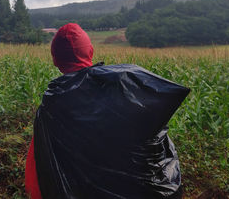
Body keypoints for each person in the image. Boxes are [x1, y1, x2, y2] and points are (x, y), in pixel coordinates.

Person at [25, 23, 189, 199]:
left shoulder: (52, 105)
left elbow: (41, 171)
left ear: (56, 60)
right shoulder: (126, 88)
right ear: (91, 51)